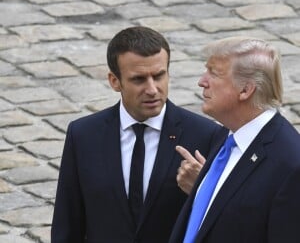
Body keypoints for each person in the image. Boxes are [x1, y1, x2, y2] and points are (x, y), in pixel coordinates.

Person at [51, 26, 221, 243]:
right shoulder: (84, 135)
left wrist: (203, 190)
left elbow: (223, 225)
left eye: (159, 76)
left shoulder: (205, 136)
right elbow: (68, 223)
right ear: (114, 81)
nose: (152, 89)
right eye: (139, 79)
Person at [169, 36, 300, 243]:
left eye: (214, 73)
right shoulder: (227, 136)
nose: (202, 81)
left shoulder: (291, 164)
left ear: (245, 90)